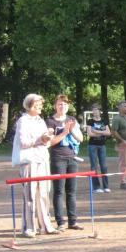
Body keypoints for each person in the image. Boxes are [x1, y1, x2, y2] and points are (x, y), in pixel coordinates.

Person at [11, 94, 58, 237]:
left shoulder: (41, 121)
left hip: (42, 159)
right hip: (29, 160)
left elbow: (46, 142)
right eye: (37, 105)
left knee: (44, 192)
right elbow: (24, 143)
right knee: (30, 195)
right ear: (30, 106)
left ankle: (46, 226)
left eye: (40, 105)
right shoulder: (23, 121)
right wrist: (40, 139)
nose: (40, 107)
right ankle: (29, 227)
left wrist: (48, 137)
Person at [46, 95, 85, 231]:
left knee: (71, 191)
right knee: (58, 191)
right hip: (58, 159)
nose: (62, 106)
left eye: (65, 104)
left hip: (72, 159)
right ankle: (60, 222)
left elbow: (81, 138)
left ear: (68, 106)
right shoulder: (50, 121)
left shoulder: (72, 119)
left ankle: (72, 221)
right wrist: (64, 132)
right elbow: (51, 142)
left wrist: (72, 129)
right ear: (55, 106)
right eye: (60, 104)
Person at [87, 105, 111, 193]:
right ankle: (96, 187)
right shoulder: (90, 121)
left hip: (102, 145)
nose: (95, 111)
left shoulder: (104, 121)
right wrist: (103, 133)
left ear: (99, 111)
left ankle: (106, 186)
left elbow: (108, 133)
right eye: (93, 110)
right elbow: (90, 133)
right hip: (92, 145)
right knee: (94, 166)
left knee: (103, 166)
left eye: (96, 110)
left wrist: (97, 131)